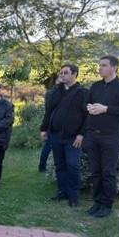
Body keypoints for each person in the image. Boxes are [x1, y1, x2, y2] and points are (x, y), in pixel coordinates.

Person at [85, 55, 119, 218]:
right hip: (92, 135)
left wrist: (105, 109)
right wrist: (89, 107)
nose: (100, 68)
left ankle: (107, 205)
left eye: (104, 65)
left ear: (114, 68)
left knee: (108, 172)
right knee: (95, 171)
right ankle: (97, 202)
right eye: (99, 65)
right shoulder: (95, 86)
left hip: (110, 137)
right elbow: (86, 103)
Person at [40, 64, 88, 207]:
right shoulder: (56, 92)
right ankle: (62, 192)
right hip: (55, 135)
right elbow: (49, 111)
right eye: (61, 73)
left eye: (66, 73)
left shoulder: (83, 93)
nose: (62, 75)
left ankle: (73, 196)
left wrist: (81, 134)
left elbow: (88, 117)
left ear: (74, 74)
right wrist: (44, 129)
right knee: (60, 165)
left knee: (72, 165)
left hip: (73, 137)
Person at [38, 77, 62, 172]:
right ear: (56, 81)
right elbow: (49, 109)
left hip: (52, 121)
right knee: (49, 145)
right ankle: (42, 166)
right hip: (52, 122)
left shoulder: (51, 92)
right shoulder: (52, 93)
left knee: (49, 145)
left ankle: (43, 166)